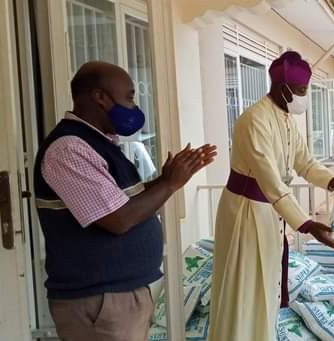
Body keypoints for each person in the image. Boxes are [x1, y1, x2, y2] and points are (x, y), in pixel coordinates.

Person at [33, 61, 217, 341]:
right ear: (100, 97)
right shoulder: (68, 149)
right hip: (99, 300)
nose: (134, 105)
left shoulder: (100, 144)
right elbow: (118, 219)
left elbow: (119, 201)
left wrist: (164, 180)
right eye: (129, 96)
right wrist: (169, 183)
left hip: (115, 296)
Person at [209, 51, 334, 341]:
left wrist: (331, 180)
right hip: (245, 214)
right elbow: (272, 182)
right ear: (282, 87)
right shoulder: (253, 120)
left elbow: (305, 162)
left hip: (270, 212)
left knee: (266, 290)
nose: (305, 97)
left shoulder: (286, 119)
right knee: (244, 291)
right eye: (301, 91)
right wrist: (308, 225)